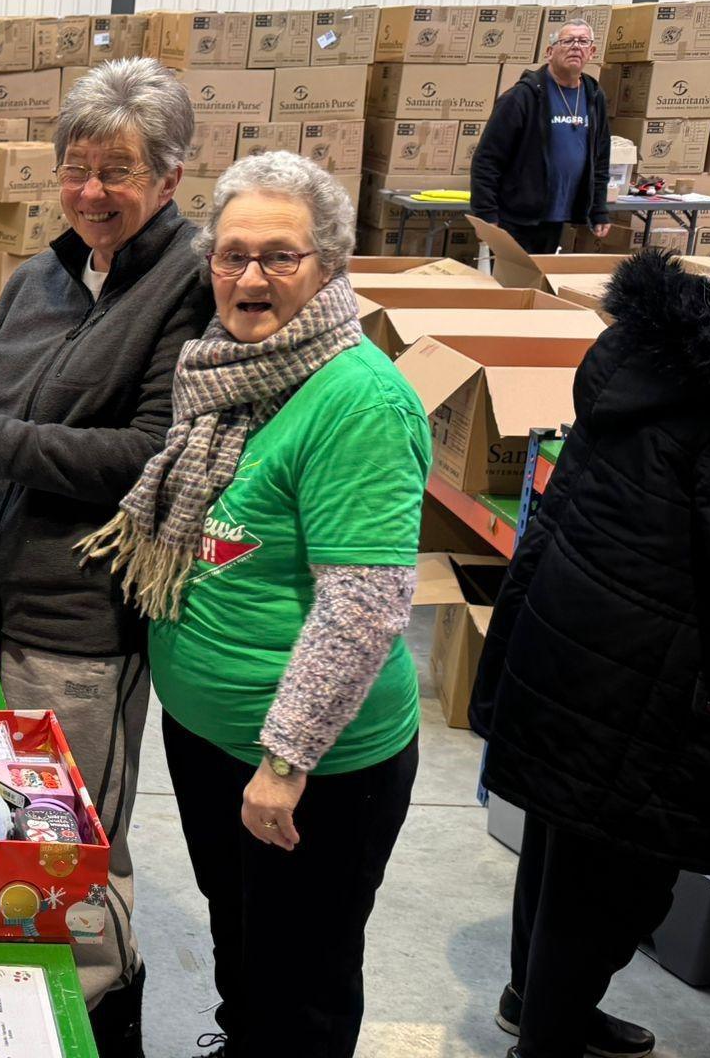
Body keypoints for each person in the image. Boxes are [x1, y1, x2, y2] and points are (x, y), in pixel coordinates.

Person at [0, 57, 213, 1055]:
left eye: (115, 170)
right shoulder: (36, 278)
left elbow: (148, 458)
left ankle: (105, 1024)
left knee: (75, 855)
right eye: (74, 167)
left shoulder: (187, 287)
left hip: (79, 622)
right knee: (7, 834)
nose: (90, 191)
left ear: (166, 180)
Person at [85, 151, 428, 1058]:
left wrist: (285, 759)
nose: (250, 278)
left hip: (312, 768)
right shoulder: (228, 372)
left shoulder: (357, 399)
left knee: (302, 984)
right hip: (208, 737)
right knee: (243, 947)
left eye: (280, 256)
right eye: (231, 255)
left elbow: (362, 606)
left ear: (329, 268)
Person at [469, 249, 710, 1058]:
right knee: (620, 879)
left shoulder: (643, 361)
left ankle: (533, 1001)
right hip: (646, 676)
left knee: (559, 839)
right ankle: (545, 1041)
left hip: (567, 644)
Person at [471, 19, 613, 254]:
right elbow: (487, 160)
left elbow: (600, 159)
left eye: (583, 41)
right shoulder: (522, 97)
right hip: (517, 218)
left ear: (592, 51)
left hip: (558, 218)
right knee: (512, 286)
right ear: (550, 52)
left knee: (539, 285)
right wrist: (486, 213)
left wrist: (598, 208)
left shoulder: (593, 96)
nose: (576, 46)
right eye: (567, 41)